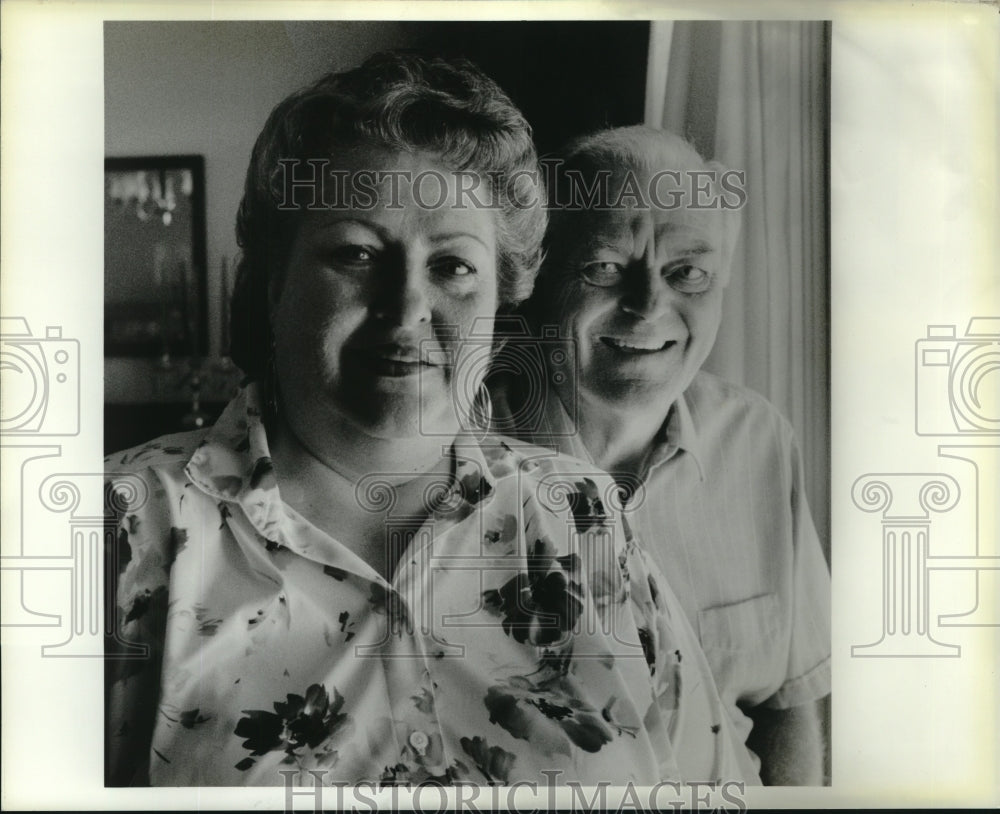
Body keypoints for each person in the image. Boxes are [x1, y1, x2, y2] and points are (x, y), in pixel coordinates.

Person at [104, 54, 755, 787]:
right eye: (355, 253)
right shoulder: (118, 530)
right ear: (271, 284)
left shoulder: (584, 516)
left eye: (453, 267)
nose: (407, 306)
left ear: (501, 302)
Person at [491, 125, 831, 785]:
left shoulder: (759, 442)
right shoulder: (453, 453)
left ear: (723, 283)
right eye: (606, 268)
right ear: (540, 280)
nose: (650, 304)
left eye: (688, 273)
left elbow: (789, 707)